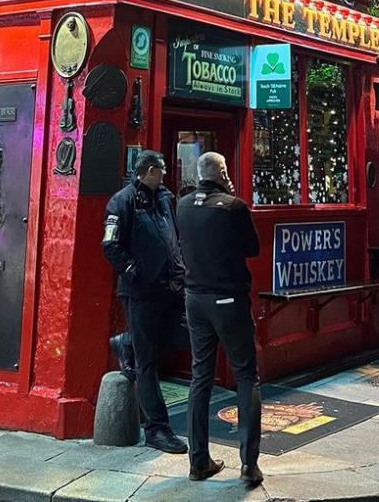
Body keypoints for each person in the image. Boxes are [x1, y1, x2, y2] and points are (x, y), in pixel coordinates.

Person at [177, 151, 263, 487]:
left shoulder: (181, 205)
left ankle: (198, 461)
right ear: (223, 172)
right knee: (246, 375)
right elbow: (252, 249)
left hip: (194, 299)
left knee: (201, 376)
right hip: (228, 299)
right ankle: (249, 464)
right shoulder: (235, 207)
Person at [102, 150, 188, 454]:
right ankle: (156, 429)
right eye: (161, 170)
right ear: (149, 171)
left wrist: (180, 270)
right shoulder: (122, 201)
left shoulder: (165, 198)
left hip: (170, 287)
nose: (165, 174)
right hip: (140, 291)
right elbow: (110, 244)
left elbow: (171, 237)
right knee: (147, 361)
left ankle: (127, 342)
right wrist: (131, 271)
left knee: (181, 337)